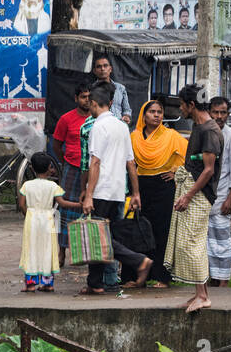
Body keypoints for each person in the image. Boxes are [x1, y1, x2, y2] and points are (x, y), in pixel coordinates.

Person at [80, 82, 149, 294]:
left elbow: (95, 163)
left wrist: (89, 195)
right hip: (119, 191)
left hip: (102, 190)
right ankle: (95, 283)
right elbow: (131, 163)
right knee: (103, 235)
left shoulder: (97, 127)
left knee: (99, 236)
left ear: (93, 103)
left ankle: (138, 261)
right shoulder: (121, 126)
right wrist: (135, 193)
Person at [165, 84, 220, 314]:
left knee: (192, 243)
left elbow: (208, 170)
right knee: (191, 241)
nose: (180, 108)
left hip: (200, 194)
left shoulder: (209, 131)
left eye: (182, 104)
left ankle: (203, 296)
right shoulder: (199, 127)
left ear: (192, 105)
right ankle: (200, 293)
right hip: (193, 189)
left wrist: (188, 195)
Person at [130, 98, 186, 287]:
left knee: (161, 232)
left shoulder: (171, 135)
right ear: (143, 116)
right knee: (138, 231)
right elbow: (130, 163)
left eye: (159, 112)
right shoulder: (134, 137)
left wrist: (175, 171)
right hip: (140, 187)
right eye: (152, 112)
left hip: (163, 187)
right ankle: (136, 277)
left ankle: (162, 277)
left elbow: (188, 155)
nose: (156, 115)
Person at [19, 152, 81, 293]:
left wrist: (27, 213)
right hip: (48, 219)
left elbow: (21, 204)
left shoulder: (27, 185)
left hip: (32, 219)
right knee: (48, 249)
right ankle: (48, 283)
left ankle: (30, 284)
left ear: (32, 169)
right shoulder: (53, 186)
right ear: (49, 168)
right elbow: (62, 203)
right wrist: (79, 205)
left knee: (31, 249)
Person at [50, 82, 92, 267]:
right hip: (72, 168)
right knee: (66, 210)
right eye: (83, 96)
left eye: (90, 96)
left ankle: (87, 252)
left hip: (93, 169)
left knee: (90, 209)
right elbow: (57, 145)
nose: (87, 100)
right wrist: (65, 161)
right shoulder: (66, 119)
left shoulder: (97, 119)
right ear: (76, 98)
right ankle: (61, 252)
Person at [207, 95, 231, 287]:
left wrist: (230, 198)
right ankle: (214, 279)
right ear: (209, 113)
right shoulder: (207, 133)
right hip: (208, 197)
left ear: (228, 115)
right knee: (209, 244)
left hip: (223, 198)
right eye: (216, 112)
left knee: (222, 242)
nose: (219, 116)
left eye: (223, 112)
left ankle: (223, 283)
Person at [91, 54, 131, 123]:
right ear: (94, 71)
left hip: (118, 125)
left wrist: (126, 116)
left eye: (105, 66)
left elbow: (126, 109)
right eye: (99, 67)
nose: (102, 69)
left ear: (110, 69)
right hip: (98, 125)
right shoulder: (91, 89)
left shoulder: (120, 88)